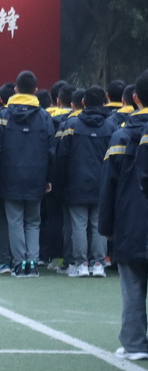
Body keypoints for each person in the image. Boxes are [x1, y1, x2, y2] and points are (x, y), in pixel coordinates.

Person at [0, 70, 55, 278]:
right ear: (36, 90)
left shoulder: (2, 116)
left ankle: (19, 264)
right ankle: (33, 263)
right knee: (33, 221)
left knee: (15, 221)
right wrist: (49, 177)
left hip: (10, 176)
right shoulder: (44, 117)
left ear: (16, 90)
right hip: (37, 176)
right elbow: (51, 150)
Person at [105, 70, 148, 359]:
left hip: (131, 222)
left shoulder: (121, 135)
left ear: (135, 98)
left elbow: (109, 186)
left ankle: (134, 344)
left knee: (132, 284)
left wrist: (107, 227)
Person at [55, 85, 114, 278]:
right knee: (97, 225)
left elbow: (62, 156)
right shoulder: (110, 127)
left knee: (78, 225)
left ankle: (81, 263)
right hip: (102, 183)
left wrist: (60, 182)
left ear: (83, 102)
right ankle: (98, 263)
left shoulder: (71, 125)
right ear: (104, 102)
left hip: (76, 183)